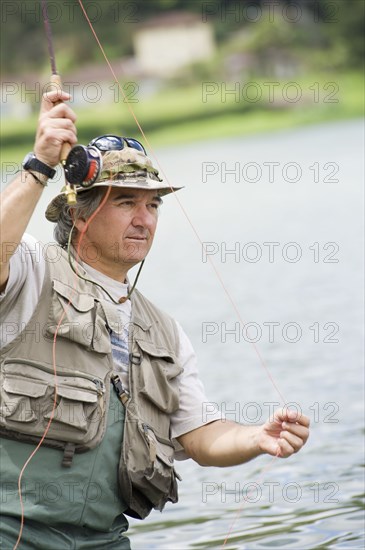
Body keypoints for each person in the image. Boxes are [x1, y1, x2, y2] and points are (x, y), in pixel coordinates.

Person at [0, 89, 310, 549]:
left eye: (153, 205)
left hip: (104, 540)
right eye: (126, 203)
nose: (144, 219)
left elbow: (201, 436)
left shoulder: (165, 331)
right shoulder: (30, 269)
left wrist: (255, 437)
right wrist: (39, 165)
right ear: (79, 214)